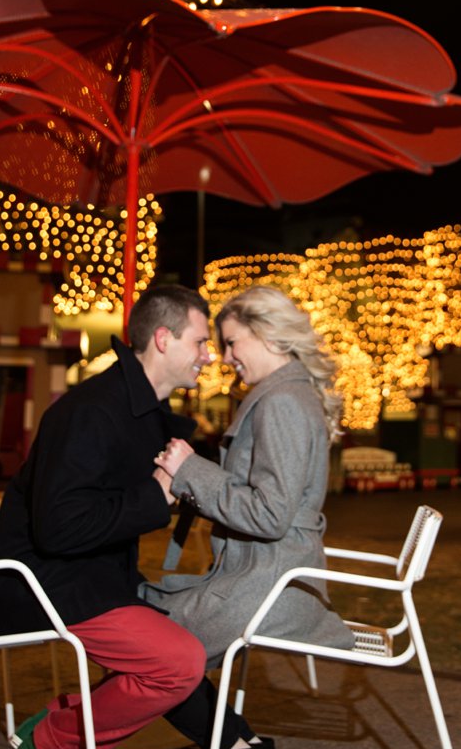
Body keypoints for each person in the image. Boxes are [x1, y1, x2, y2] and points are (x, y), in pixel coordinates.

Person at [0, 284, 277, 749]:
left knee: (184, 639)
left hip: (97, 577)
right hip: (45, 582)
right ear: (163, 340)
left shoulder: (140, 408)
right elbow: (59, 527)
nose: (210, 355)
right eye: (201, 341)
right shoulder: (93, 411)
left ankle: (65, 723)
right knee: (177, 662)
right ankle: (51, 748)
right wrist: (157, 496)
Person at [143, 284, 354, 670]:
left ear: (267, 334)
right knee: (145, 624)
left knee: (142, 636)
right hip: (265, 578)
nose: (225, 358)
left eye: (231, 343)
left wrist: (190, 469)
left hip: (268, 588)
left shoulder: (283, 401)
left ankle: (57, 731)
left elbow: (270, 515)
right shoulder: (287, 394)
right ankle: (230, 733)